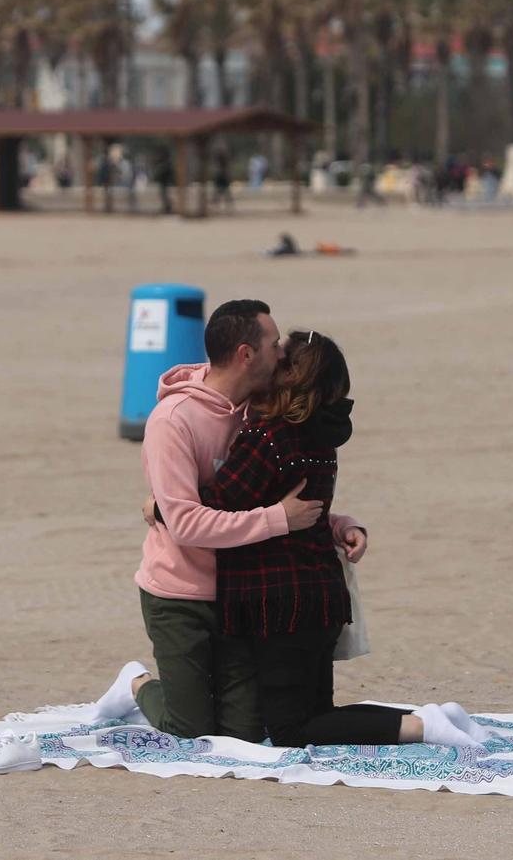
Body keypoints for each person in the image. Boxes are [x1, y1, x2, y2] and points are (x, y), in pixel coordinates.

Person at [87, 300, 365, 742]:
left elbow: (282, 493)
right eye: (274, 344)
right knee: (190, 729)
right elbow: (188, 525)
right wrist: (277, 520)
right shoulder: (173, 421)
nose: (282, 354)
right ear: (246, 354)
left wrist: (336, 524)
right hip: (178, 595)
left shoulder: (262, 411)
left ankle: (197, 693)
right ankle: (136, 684)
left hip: (238, 595)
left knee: (244, 735)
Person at [196, 330, 489, 748]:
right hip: (321, 593)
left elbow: (215, 504)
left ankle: (422, 727)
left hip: (279, 601)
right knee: (318, 717)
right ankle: (434, 719)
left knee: (291, 730)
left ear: (290, 376)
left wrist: (160, 506)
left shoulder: (269, 438)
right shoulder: (321, 437)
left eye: (279, 358)